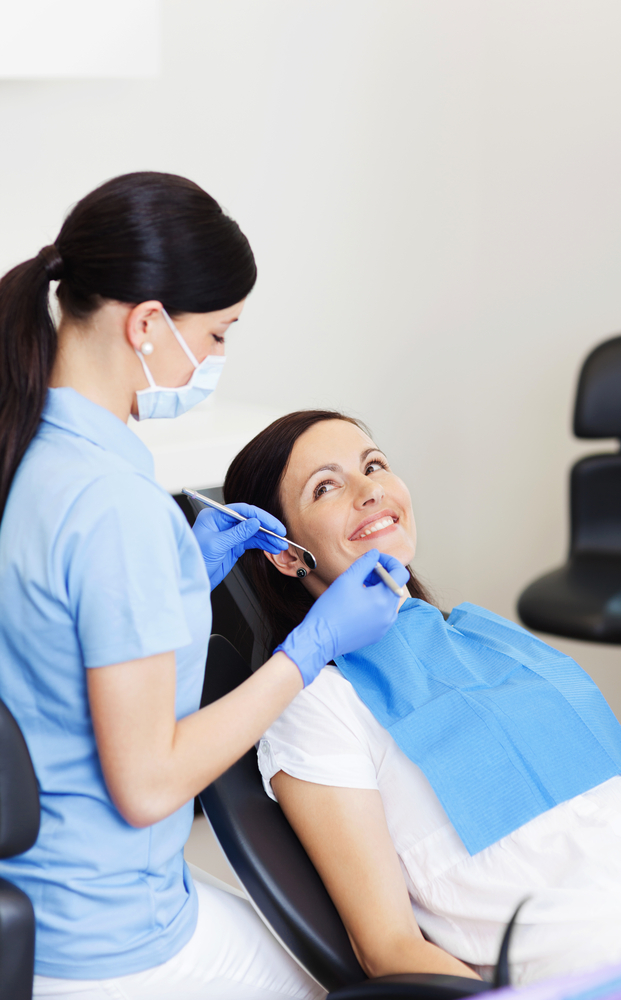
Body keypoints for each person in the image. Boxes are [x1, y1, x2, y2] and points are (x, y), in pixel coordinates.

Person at [0, 173, 409, 1000]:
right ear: (148, 324)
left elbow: (65, 629)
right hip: (109, 940)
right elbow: (149, 783)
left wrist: (186, 572)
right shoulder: (114, 508)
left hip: (45, 896)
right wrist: (309, 647)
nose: (218, 358)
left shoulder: (31, 451)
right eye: (218, 336)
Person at [222, 409, 621, 988]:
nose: (370, 490)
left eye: (374, 465)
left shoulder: (492, 638)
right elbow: (388, 949)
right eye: (326, 487)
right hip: (608, 957)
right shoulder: (317, 703)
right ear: (285, 553)